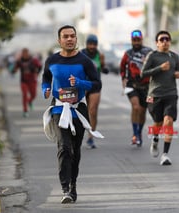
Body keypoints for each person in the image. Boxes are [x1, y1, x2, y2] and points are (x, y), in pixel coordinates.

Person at [42, 25, 102, 204]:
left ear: (76, 39)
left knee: (75, 151)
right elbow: (46, 78)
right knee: (64, 148)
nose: (69, 39)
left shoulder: (84, 61)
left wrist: (80, 83)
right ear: (59, 40)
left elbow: (96, 84)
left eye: (72, 36)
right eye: (65, 36)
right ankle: (65, 188)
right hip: (59, 110)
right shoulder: (52, 60)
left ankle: (73, 184)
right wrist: (45, 89)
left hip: (78, 110)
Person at [141, 30, 179, 165]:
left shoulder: (174, 56)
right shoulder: (152, 56)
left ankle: (165, 154)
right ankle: (155, 139)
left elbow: (178, 70)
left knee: (168, 121)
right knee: (158, 123)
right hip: (155, 95)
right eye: (162, 39)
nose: (165, 42)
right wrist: (159, 68)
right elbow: (143, 74)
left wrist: (177, 74)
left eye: (167, 39)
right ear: (157, 43)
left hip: (171, 94)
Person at [120, 30, 153, 147]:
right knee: (136, 107)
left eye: (138, 40)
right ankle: (135, 134)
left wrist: (147, 63)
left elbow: (155, 65)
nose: (136, 42)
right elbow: (122, 66)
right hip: (131, 85)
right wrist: (123, 78)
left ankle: (139, 133)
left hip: (146, 86)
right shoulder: (128, 54)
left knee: (143, 111)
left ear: (142, 40)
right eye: (134, 40)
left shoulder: (149, 52)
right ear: (131, 41)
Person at [81, 34, 109, 149]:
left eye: (94, 44)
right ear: (86, 44)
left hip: (95, 85)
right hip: (82, 85)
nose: (92, 46)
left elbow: (103, 68)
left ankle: (91, 137)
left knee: (92, 111)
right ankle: (78, 133)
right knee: (82, 111)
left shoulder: (100, 55)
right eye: (90, 44)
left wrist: (104, 67)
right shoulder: (81, 54)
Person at [13, 48, 42, 117]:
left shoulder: (33, 60)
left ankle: (30, 101)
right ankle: (25, 110)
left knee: (34, 95)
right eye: (23, 53)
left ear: (28, 53)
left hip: (32, 81)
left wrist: (37, 73)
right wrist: (14, 68)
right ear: (22, 54)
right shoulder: (19, 61)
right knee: (24, 95)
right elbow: (15, 69)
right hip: (24, 81)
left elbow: (40, 66)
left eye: (26, 53)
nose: (25, 55)